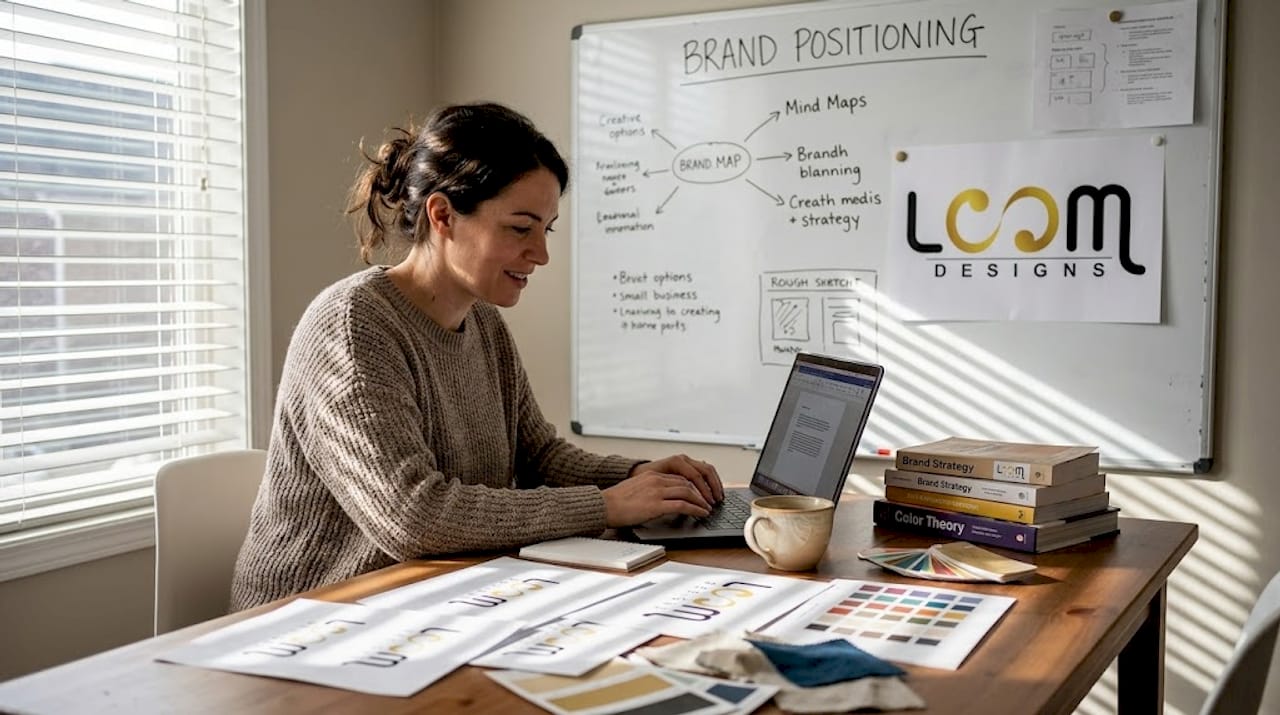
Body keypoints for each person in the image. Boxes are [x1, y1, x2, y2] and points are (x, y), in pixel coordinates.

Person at [230, 102, 723, 610]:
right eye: (520, 228)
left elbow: (539, 457)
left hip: (433, 597)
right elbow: (413, 516)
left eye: (546, 229)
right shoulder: (352, 326)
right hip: (311, 614)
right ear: (442, 215)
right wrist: (607, 505)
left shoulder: (482, 322)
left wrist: (635, 476)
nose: (541, 254)